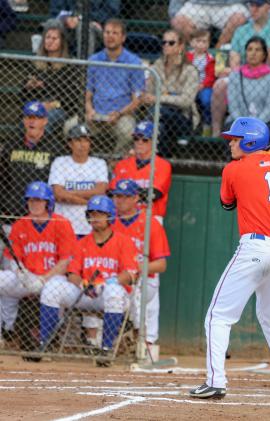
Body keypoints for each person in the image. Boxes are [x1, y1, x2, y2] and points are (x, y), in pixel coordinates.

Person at [189, 117, 270, 400]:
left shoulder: (233, 170)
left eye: (235, 139)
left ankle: (215, 381)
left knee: (217, 316)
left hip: (254, 249)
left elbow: (227, 203)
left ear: (250, 141)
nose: (230, 143)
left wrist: (265, 162)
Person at [39, 195, 138, 364]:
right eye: (92, 214)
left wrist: (107, 283)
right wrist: (82, 283)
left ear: (110, 216)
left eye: (100, 214)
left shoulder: (123, 241)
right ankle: (43, 346)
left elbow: (130, 273)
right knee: (53, 286)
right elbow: (72, 273)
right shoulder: (82, 242)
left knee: (113, 292)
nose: (95, 218)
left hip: (111, 295)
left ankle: (105, 351)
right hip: (85, 293)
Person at [0, 182, 75, 345]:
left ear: (48, 202)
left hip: (54, 278)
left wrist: (43, 279)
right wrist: (22, 275)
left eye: (39, 200)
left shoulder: (62, 223)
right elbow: (14, 259)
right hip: (27, 277)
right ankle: (8, 330)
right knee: (3, 279)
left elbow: (65, 261)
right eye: (31, 200)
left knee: (54, 290)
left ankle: (50, 337)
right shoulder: (20, 224)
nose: (34, 204)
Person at [211, 0, 270, 137]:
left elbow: (266, 59)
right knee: (220, 85)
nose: (253, 9)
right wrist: (239, 72)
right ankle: (216, 131)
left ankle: (259, 125)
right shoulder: (242, 30)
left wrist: (243, 69)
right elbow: (234, 59)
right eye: (251, 5)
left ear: (269, 7)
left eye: (258, 5)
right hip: (244, 76)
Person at [111, 179, 170, 346]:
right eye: (117, 196)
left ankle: (141, 341)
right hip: (115, 277)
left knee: (137, 292)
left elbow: (161, 265)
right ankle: (107, 341)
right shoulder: (109, 221)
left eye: (125, 196)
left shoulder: (150, 223)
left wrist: (134, 269)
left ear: (136, 198)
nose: (120, 200)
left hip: (144, 278)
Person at [85, 19, 144, 157]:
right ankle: (89, 162)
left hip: (121, 115)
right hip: (96, 114)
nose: (110, 36)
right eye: (107, 32)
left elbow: (137, 100)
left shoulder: (134, 62)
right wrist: (89, 110)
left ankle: (115, 164)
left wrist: (119, 113)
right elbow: (87, 93)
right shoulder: (94, 60)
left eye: (115, 33)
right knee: (70, 127)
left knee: (128, 130)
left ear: (123, 38)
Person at [0, 101, 64, 219]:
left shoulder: (55, 147)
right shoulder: (11, 145)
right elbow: (3, 177)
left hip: (43, 214)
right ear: (24, 120)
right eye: (29, 117)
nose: (32, 121)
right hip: (12, 212)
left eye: (37, 117)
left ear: (45, 121)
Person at [141, 28, 199, 158]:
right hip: (158, 114)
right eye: (164, 42)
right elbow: (149, 92)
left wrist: (158, 98)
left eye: (171, 43)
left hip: (182, 118)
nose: (166, 45)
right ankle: (163, 160)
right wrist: (149, 97)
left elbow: (186, 101)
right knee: (160, 127)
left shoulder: (190, 70)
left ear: (181, 46)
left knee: (158, 112)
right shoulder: (157, 65)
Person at [22, 19, 82, 135]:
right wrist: (29, 86)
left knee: (44, 122)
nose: (50, 41)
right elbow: (22, 95)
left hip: (59, 108)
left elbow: (71, 98)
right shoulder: (35, 63)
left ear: (62, 42)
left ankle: (42, 152)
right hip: (36, 105)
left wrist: (51, 104)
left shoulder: (69, 66)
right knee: (26, 121)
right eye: (47, 37)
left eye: (54, 39)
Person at [48, 124, 108, 237]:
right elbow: (58, 194)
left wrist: (69, 193)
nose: (82, 145)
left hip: (90, 228)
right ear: (70, 143)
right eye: (78, 140)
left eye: (86, 140)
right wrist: (87, 202)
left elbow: (100, 192)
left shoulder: (99, 163)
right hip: (63, 226)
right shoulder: (60, 162)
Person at [110, 121, 173, 223]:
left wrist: (125, 193)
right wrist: (140, 193)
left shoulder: (163, 165)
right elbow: (112, 192)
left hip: (151, 217)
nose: (139, 142)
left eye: (145, 139)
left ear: (155, 141)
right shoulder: (121, 165)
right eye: (136, 138)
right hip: (124, 216)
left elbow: (154, 194)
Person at [227, 36, 270, 130]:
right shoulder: (235, 76)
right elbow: (233, 106)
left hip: (265, 122)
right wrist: (243, 125)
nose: (253, 53)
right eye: (249, 49)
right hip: (239, 122)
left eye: (258, 50)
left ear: (264, 55)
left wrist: (256, 126)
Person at [171, 0, 249, 49]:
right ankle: (198, 52)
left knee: (239, 19)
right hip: (196, 4)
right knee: (178, 22)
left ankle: (217, 50)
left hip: (231, 4)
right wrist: (174, 11)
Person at [186, 29, 215, 138]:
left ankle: (207, 125)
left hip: (204, 86)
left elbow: (211, 76)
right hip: (189, 86)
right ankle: (188, 126)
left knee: (207, 101)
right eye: (198, 41)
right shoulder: (187, 57)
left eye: (204, 42)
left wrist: (202, 85)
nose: (201, 44)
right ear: (192, 43)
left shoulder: (210, 59)